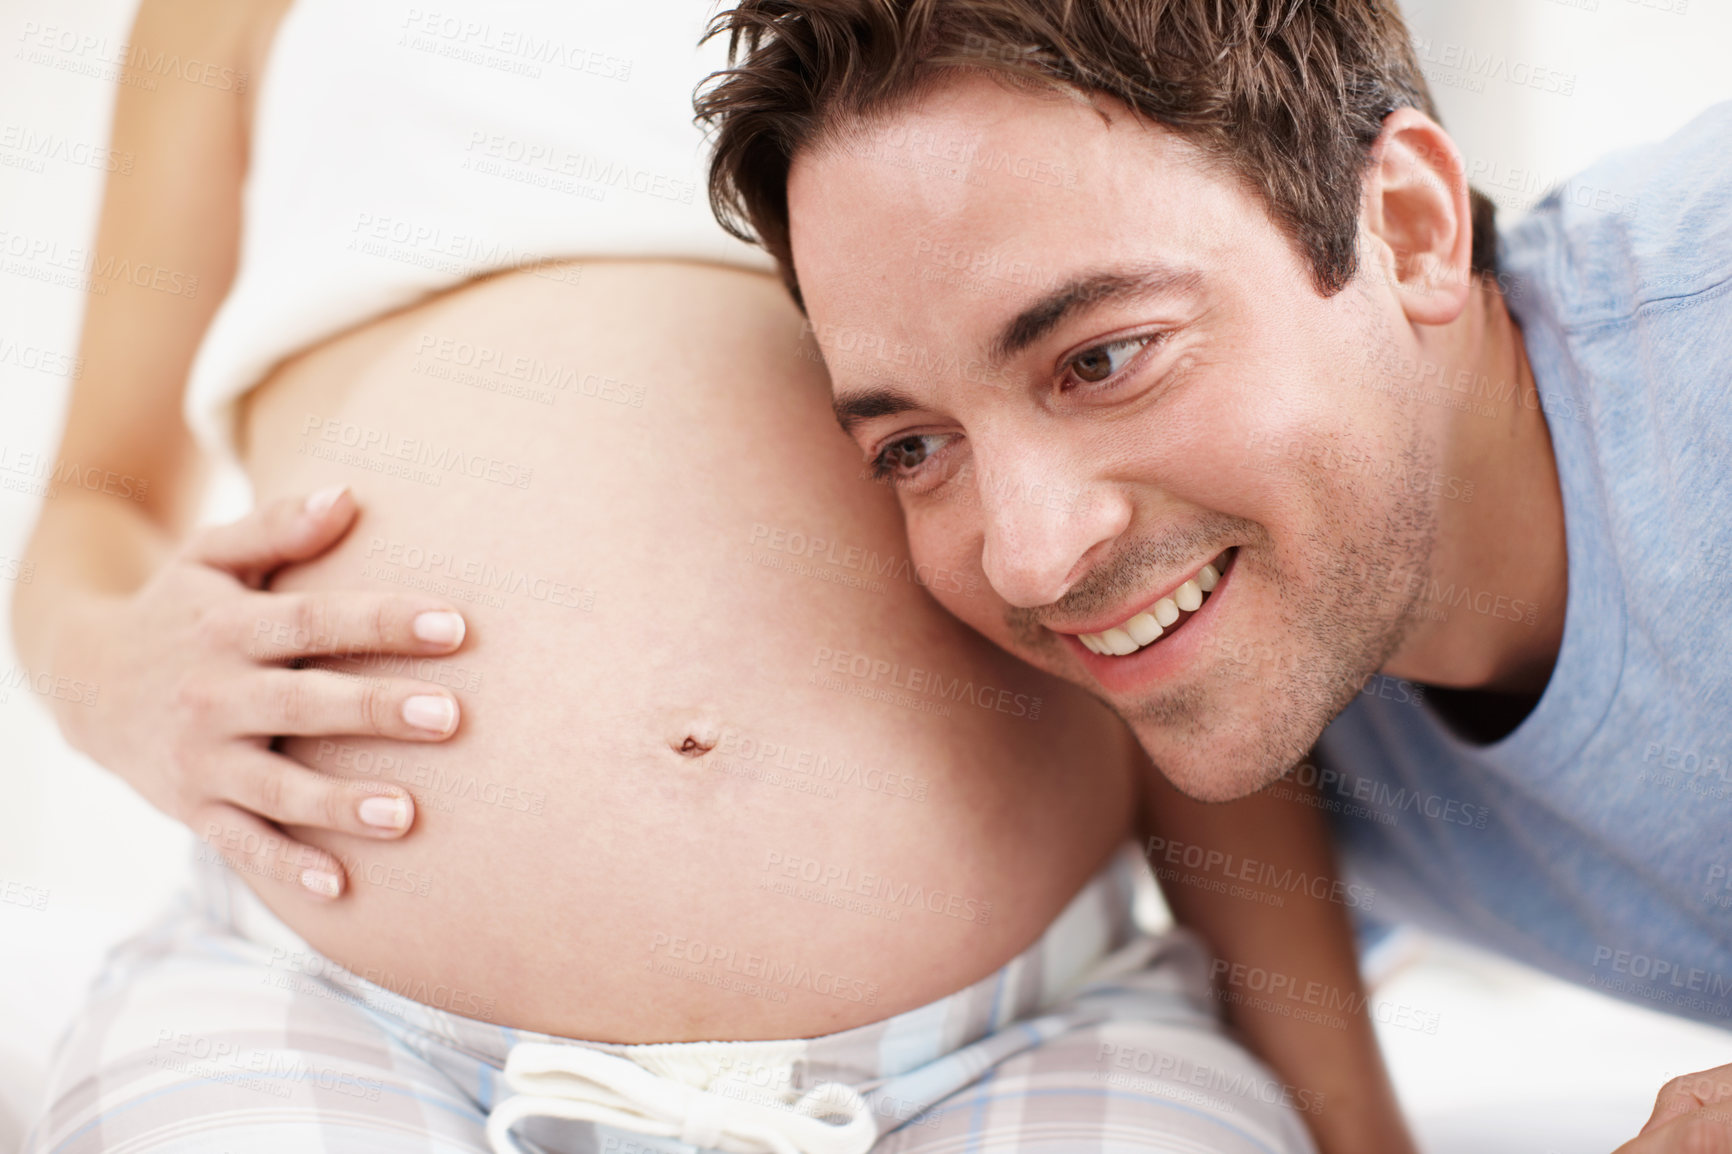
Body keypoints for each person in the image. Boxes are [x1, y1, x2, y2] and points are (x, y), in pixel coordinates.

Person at [12, 1, 1413, 1152]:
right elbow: (97, 499)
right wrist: (110, 673)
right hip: (323, 1003)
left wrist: (1351, 1119)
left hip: (1014, 1041)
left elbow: (1163, 573)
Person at [692, 0, 1732, 1149]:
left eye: (1102, 358)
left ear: (1406, 224)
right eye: (915, 447)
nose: (1029, 557)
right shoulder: (1260, 667)